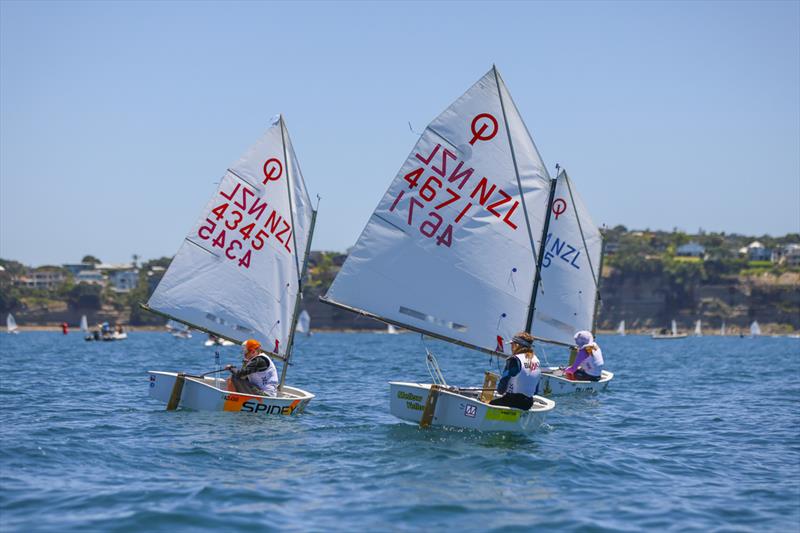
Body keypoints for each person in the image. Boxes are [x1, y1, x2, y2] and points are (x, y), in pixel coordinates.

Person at [489, 331, 541, 411]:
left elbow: (501, 389)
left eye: (512, 344)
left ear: (517, 345)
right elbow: (535, 391)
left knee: (490, 404)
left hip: (513, 401)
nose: (511, 347)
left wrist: (501, 390)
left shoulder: (514, 360)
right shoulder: (536, 360)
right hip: (528, 403)